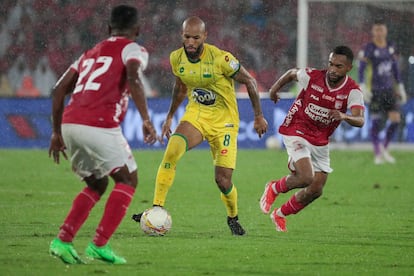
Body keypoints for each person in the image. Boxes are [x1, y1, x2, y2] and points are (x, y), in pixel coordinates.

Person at [132, 16, 268, 235]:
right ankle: (157, 207)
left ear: (205, 36)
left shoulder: (221, 58)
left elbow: (250, 82)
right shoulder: (177, 58)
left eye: (196, 37)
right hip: (196, 115)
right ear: (182, 36)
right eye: (187, 37)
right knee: (172, 151)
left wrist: (259, 116)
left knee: (222, 180)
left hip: (224, 122)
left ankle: (233, 217)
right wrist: (169, 117)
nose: (191, 42)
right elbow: (180, 88)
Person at [48, 5, 158, 264]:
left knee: (97, 184)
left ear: (109, 29)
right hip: (99, 124)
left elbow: (58, 90)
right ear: (137, 30)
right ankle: (99, 245)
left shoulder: (88, 54)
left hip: (70, 123)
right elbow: (133, 77)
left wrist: (55, 132)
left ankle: (62, 241)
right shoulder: (133, 48)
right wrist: (145, 118)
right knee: (128, 180)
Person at [260, 46, 365, 232]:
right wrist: (274, 89)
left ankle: (280, 214)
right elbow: (292, 73)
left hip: (320, 139)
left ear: (349, 67)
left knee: (316, 189)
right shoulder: (313, 76)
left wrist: (345, 116)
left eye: (338, 66)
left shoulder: (352, 91)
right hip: (297, 128)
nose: (332, 69)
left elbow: (360, 119)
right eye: (331, 64)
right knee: (306, 177)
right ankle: (274, 187)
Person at [358, 19, 407, 164]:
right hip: (375, 91)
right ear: (373, 31)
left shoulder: (391, 47)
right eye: (376, 30)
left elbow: (395, 69)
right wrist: (362, 85)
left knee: (396, 119)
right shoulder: (369, 48)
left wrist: (401, 86)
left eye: (381, 29)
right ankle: (377, 154)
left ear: (385, 31)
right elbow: (361, 68)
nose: (379, 33)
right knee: (376, 122)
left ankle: (384, 148)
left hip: (389, 90)